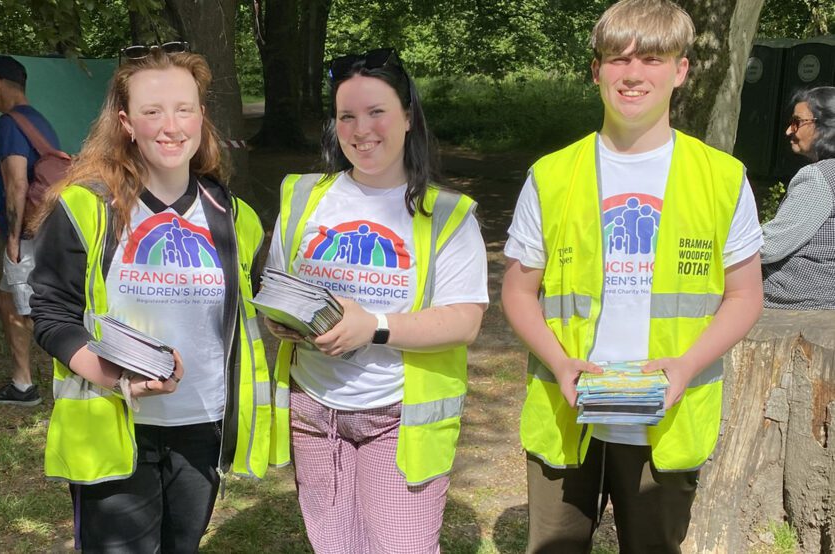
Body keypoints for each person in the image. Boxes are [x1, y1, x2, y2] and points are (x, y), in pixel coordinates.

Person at [500, 1, 764, 552]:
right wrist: (559, 362)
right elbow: (518, 291)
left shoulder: (722, 178)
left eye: (651, 57)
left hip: (666, 415)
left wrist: (687, 365)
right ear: (596, 71)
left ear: (681, 70)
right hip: (568, 410)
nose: (633, 72)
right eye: (616, 59)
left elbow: (743, 296)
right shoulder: (551, 176)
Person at [28, 45, 272, 552]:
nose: (171, 125)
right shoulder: (83, 207)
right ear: (126, 122)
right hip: (115, 422)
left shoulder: (234, 216)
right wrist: (114, 375)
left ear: (202, 117)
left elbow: (247, 313)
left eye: (184, 109)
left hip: (202, 424)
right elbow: (51, 315)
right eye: (151, 111)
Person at [265, 48, 489, 553]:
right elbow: (280, 284)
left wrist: (375, 326)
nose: (361, 129)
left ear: (408, 116)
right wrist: (286, 320)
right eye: (347, 116)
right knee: (334, 546)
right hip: (313, 409)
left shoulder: (447, 215)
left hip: (397, 416)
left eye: (376, 112)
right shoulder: (302, 197)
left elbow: (464, 321)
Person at [0, 55, 60, 406]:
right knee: (8, 300)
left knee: (27, 308)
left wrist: (12, 237)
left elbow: (17, 184)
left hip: (27, 234)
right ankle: (23, 383)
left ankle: (73, 373)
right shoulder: (37, 121)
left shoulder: (10, 124)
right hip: (45, 228)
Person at [762, 86, 835, 309]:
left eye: (796, 122)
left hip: (798, 303)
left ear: (825, 126)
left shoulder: (818, 177)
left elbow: (770, 246)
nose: (788, 131)